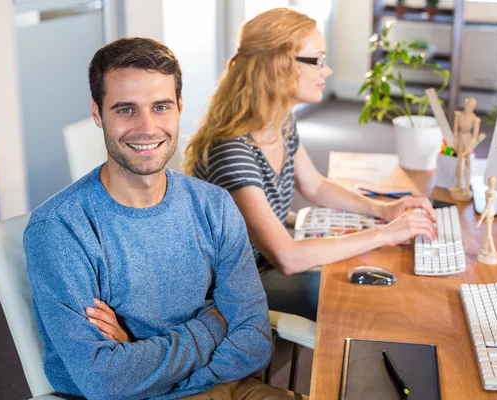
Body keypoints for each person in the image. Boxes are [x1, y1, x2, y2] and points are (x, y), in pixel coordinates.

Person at [24, 37, 306, 400]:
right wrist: (214, 321)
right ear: (97, 113)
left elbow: (253, 343)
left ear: (179, 107)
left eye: (160, 107)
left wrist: (138, 356)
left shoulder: (214, 205)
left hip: (229, 386)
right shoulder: (61, 230)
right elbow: (106, 380)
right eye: (126, 110)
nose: (147, 127)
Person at [184, 8, 436, 321]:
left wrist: (383, 211)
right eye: (317, 60)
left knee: (368, 267)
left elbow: (314, 185)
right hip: (234, 292)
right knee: (361, 292)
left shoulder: (279, 122)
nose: (327, 71)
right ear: (280, 66)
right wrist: (385, 234)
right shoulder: (233, 152)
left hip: (264, 264)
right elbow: (287, 258)